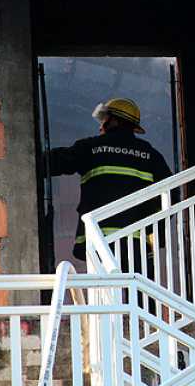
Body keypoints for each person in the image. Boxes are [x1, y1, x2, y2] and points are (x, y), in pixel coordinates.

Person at [49, 97, 172, 270]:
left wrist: (29, 156)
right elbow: (171, 195)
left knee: (105, 286)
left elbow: (55, 162)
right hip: (135, 240)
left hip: (98, 238)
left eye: (104, 120)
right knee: (140, 293)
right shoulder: (151, 155)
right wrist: (154, 230)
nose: (100, 126)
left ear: (113, 120)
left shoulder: (92, 147)